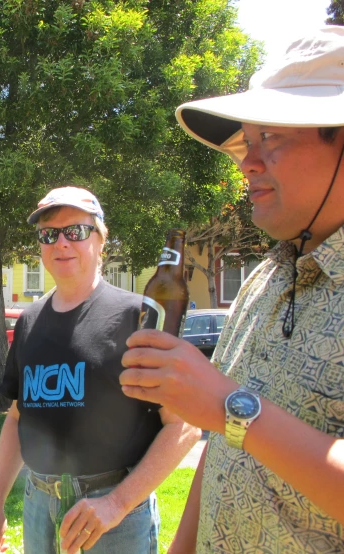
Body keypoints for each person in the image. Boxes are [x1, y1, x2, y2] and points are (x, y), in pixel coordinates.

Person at [120, 26, 344, 553]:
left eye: (272, 135)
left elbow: (230, 417)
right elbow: (224, 450)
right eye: (247, 139)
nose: (246, 161)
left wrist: (230, 406)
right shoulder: (263, 280)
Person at [0, 186, 200, 554]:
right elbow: (18, 418)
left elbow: (184, 426)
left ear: (101, 240)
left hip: (114, 515)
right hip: (38, 506)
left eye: (76, 231)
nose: (61, 243)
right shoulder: (29, 321)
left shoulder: (137, 316)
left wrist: (115, 505)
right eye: (49, 234)